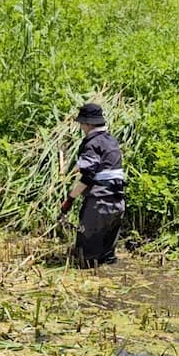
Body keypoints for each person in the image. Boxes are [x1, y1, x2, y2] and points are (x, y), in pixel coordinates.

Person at [59, 103, 124, 267]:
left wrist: (70, 199)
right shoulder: (111, 141)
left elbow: (88, 176)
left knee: (86, 258)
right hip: (117, 204)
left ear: (87, 124)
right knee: (107, 257)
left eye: (81, 124)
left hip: (99, 205)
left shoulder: (92, 144)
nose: (81, 127)